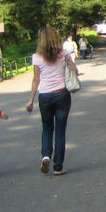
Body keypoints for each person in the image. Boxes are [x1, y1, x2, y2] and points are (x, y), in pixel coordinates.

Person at [26, 27, 79, 176]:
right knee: (60, 131)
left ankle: (46, 155)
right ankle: (58, 167)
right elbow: (75, 71)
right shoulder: (64, 54)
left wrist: (30, 100)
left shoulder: (36, 57)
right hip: (62, 94)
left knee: (47, 128)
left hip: (45, 96)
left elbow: (36, 79)